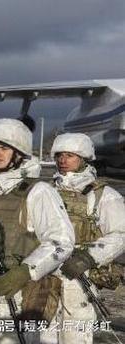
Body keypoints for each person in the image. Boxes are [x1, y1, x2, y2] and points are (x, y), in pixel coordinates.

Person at [0, 118, 75, 344]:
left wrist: (26, 271)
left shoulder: (38, 191)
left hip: (18, 290)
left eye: (4, 148)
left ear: (19, 153)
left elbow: (61, 241)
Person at [49, 133, 125, 343]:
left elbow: (120, 234)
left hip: (79, 278)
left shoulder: (102, 195)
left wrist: (87, 258)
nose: (63, 160)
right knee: (43, 335)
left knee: (75, 335)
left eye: (70, 155)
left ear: (83, 159)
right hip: (46, 276)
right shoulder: (46, 191)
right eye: (59, 155)